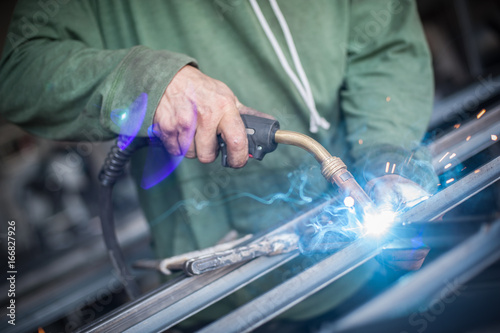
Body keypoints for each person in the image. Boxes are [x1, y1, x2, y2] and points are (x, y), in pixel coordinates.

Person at [0, 0, 437, 326]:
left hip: (359, 278)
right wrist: (148, 81)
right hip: (218, 304)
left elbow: (385, 46)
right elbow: (19, 69)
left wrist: (386, 157)